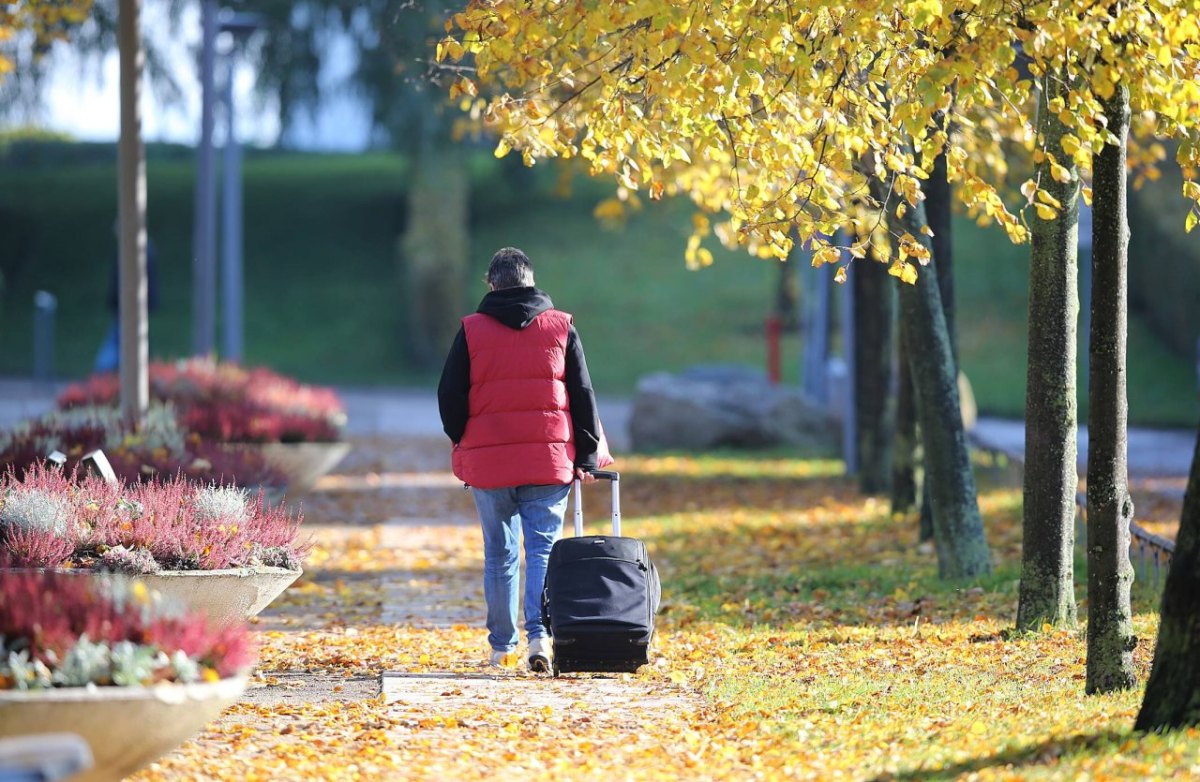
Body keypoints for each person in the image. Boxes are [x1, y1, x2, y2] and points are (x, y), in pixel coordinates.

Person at [438, 247, 610, 672]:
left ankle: (501, 646)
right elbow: (582, 394)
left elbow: (449, 395)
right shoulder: (561, 327)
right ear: (531, 281)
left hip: (489, 463)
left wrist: (465, 437)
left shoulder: (472, 330)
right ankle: (540, 637)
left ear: (491, 284)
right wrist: (587, 455)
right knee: (542, 550)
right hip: (547, 460)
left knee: (499, 553)